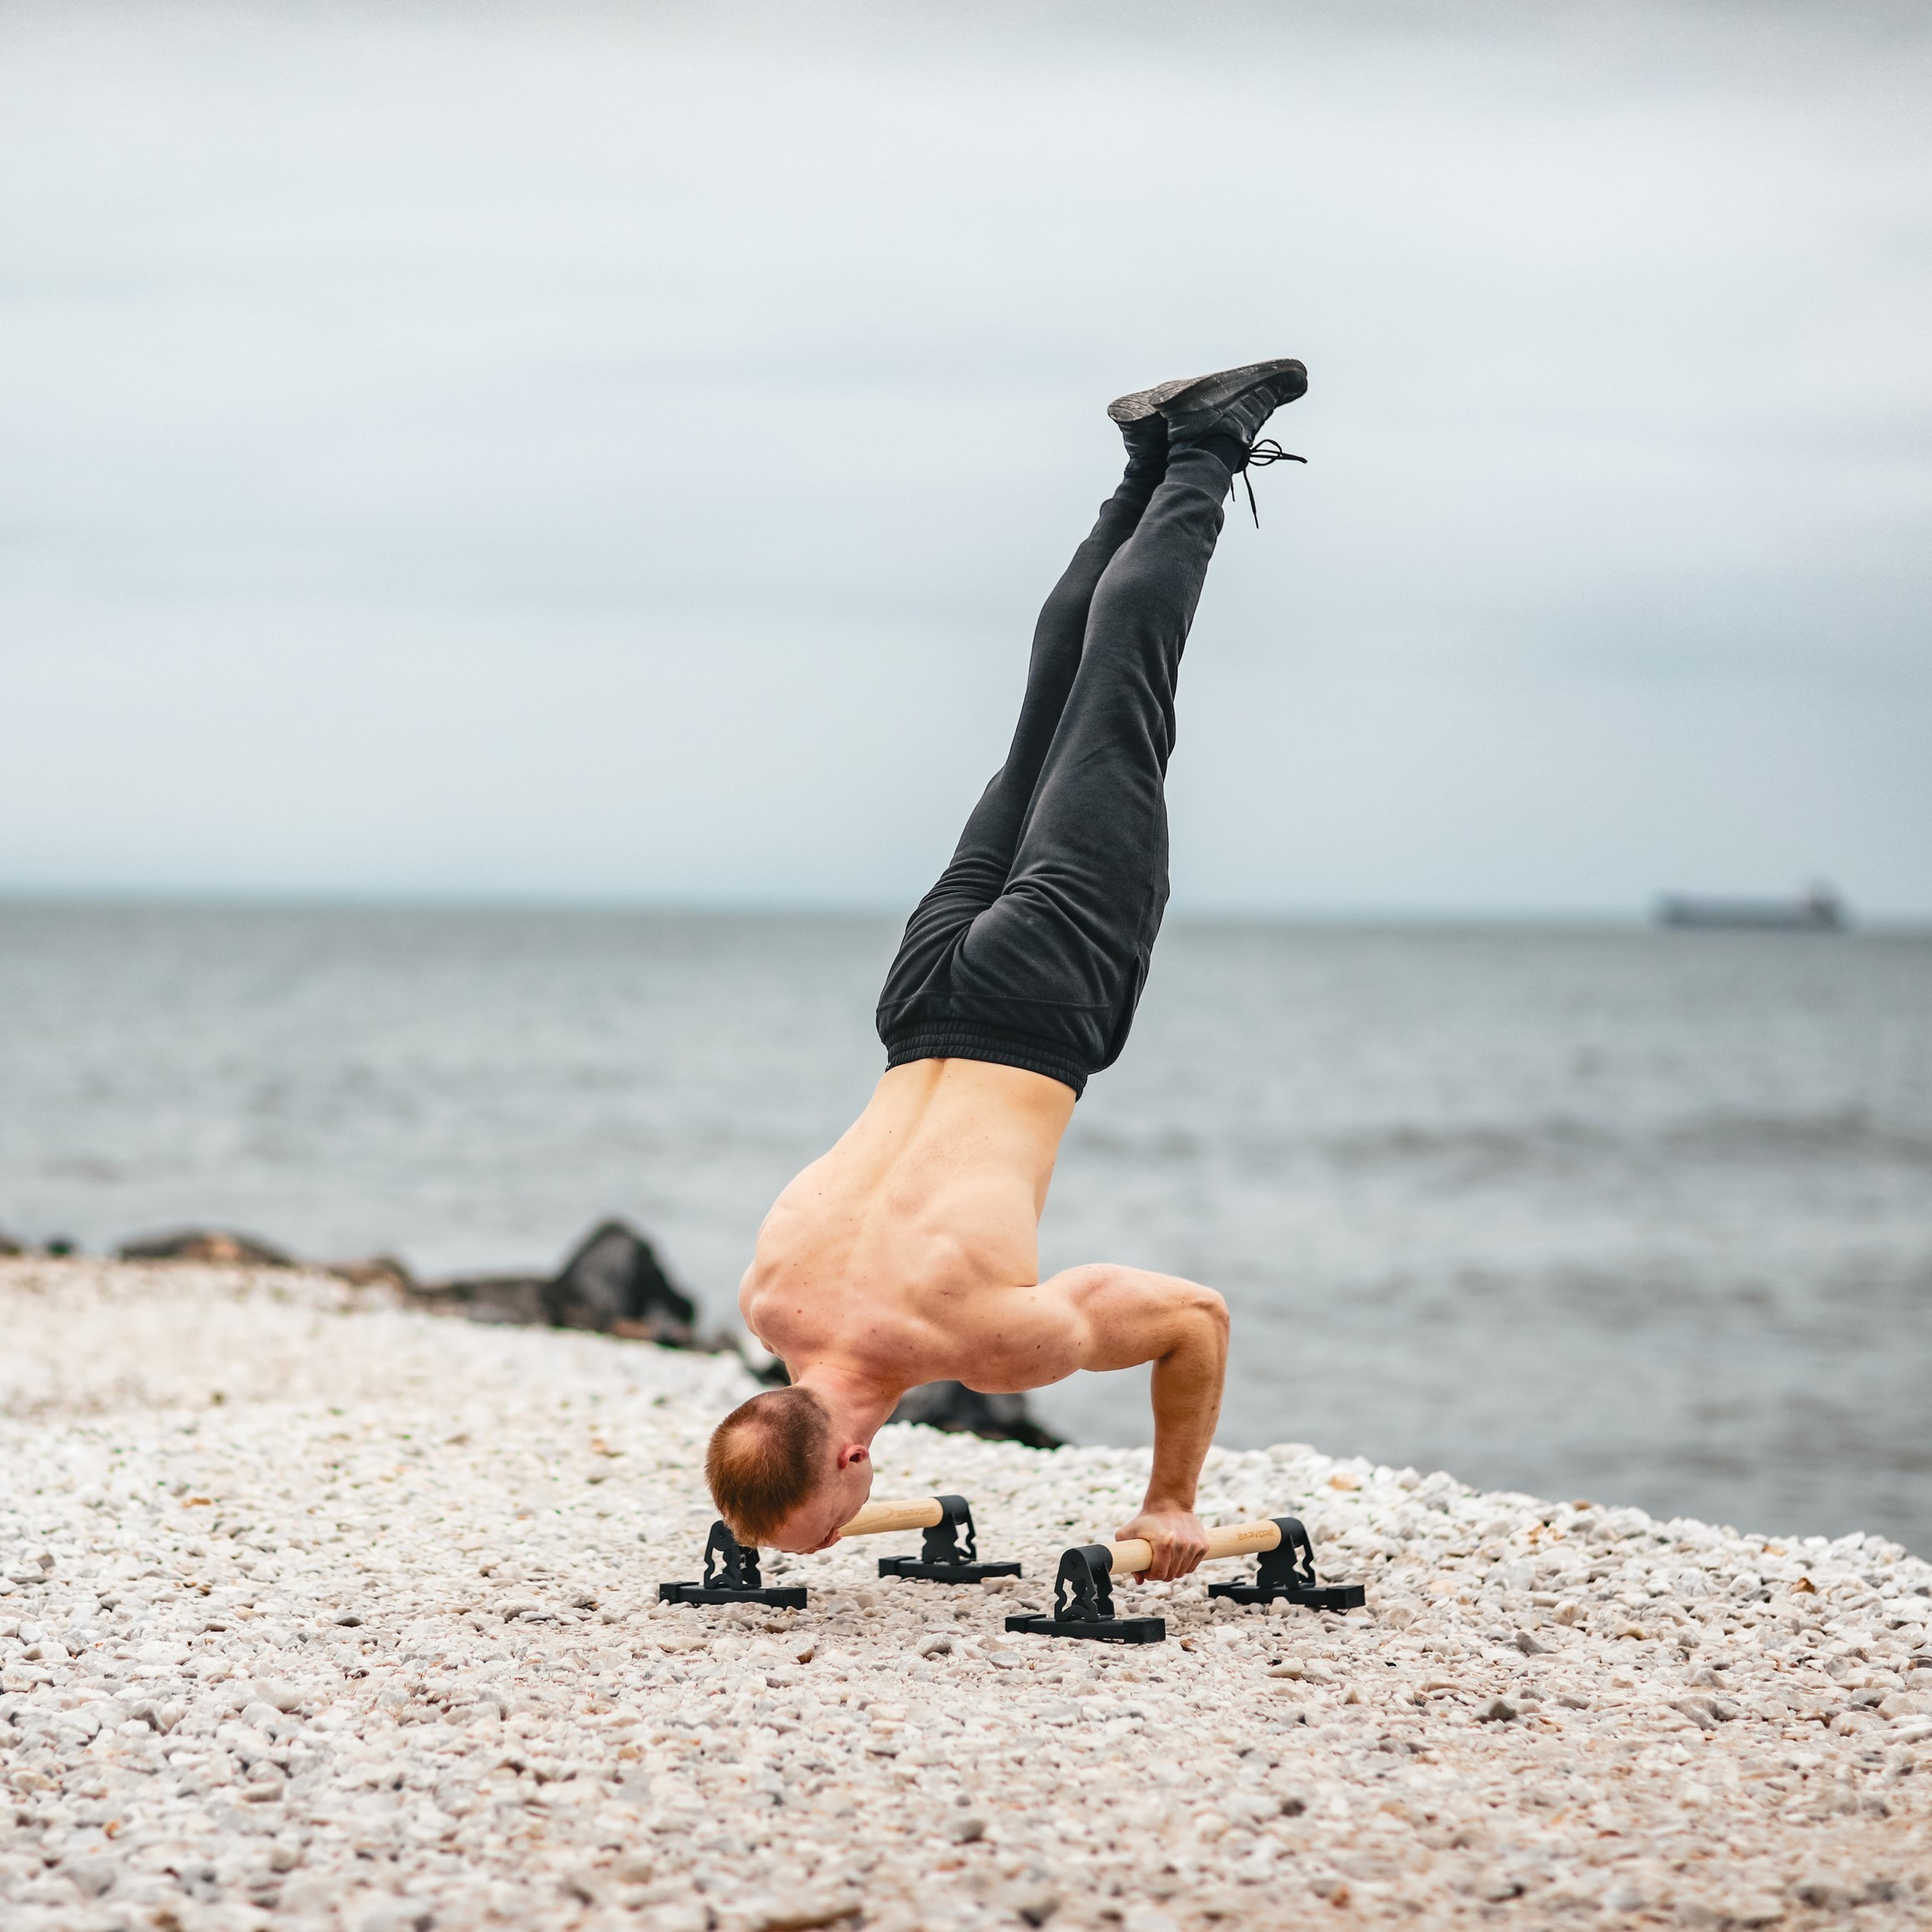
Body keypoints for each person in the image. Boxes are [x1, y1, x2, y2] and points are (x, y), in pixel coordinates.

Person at [709, 359, 1307, 1581]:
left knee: (1121, 693)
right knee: (1049, 709)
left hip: (1040, 1000)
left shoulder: (980, 1339)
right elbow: (789, 1429)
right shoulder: (769, 1298)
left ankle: (1203, 448)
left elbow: (1195, 1317)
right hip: (919, 995)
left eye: (825, 1523)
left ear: (848, 1466)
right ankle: (1144, 459)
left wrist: (1172, 1500)